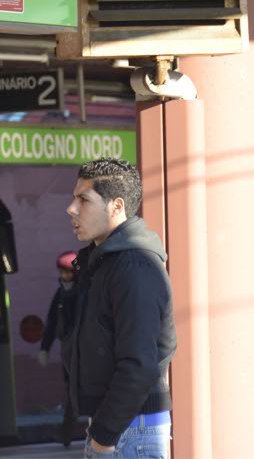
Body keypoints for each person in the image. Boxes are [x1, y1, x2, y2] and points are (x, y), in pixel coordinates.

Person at [65, 158, 176, 459]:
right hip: (118, 425)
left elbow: (139, 364)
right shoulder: (105, 263)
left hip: (130, 429)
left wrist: (103, 437)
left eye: (83, 200)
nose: (71, 209)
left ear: (116, 206)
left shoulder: (133, 267)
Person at [38, 251, 79, 447]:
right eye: (61, 272)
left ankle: (68, 432)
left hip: (84, 350)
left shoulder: (84, 290)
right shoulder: (61, 292)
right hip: (68, 350)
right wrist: (44, 348)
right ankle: (66, 433)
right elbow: (52, 321)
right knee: (71, 391)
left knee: (84, 391)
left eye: (67, 272)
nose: (63, 276)